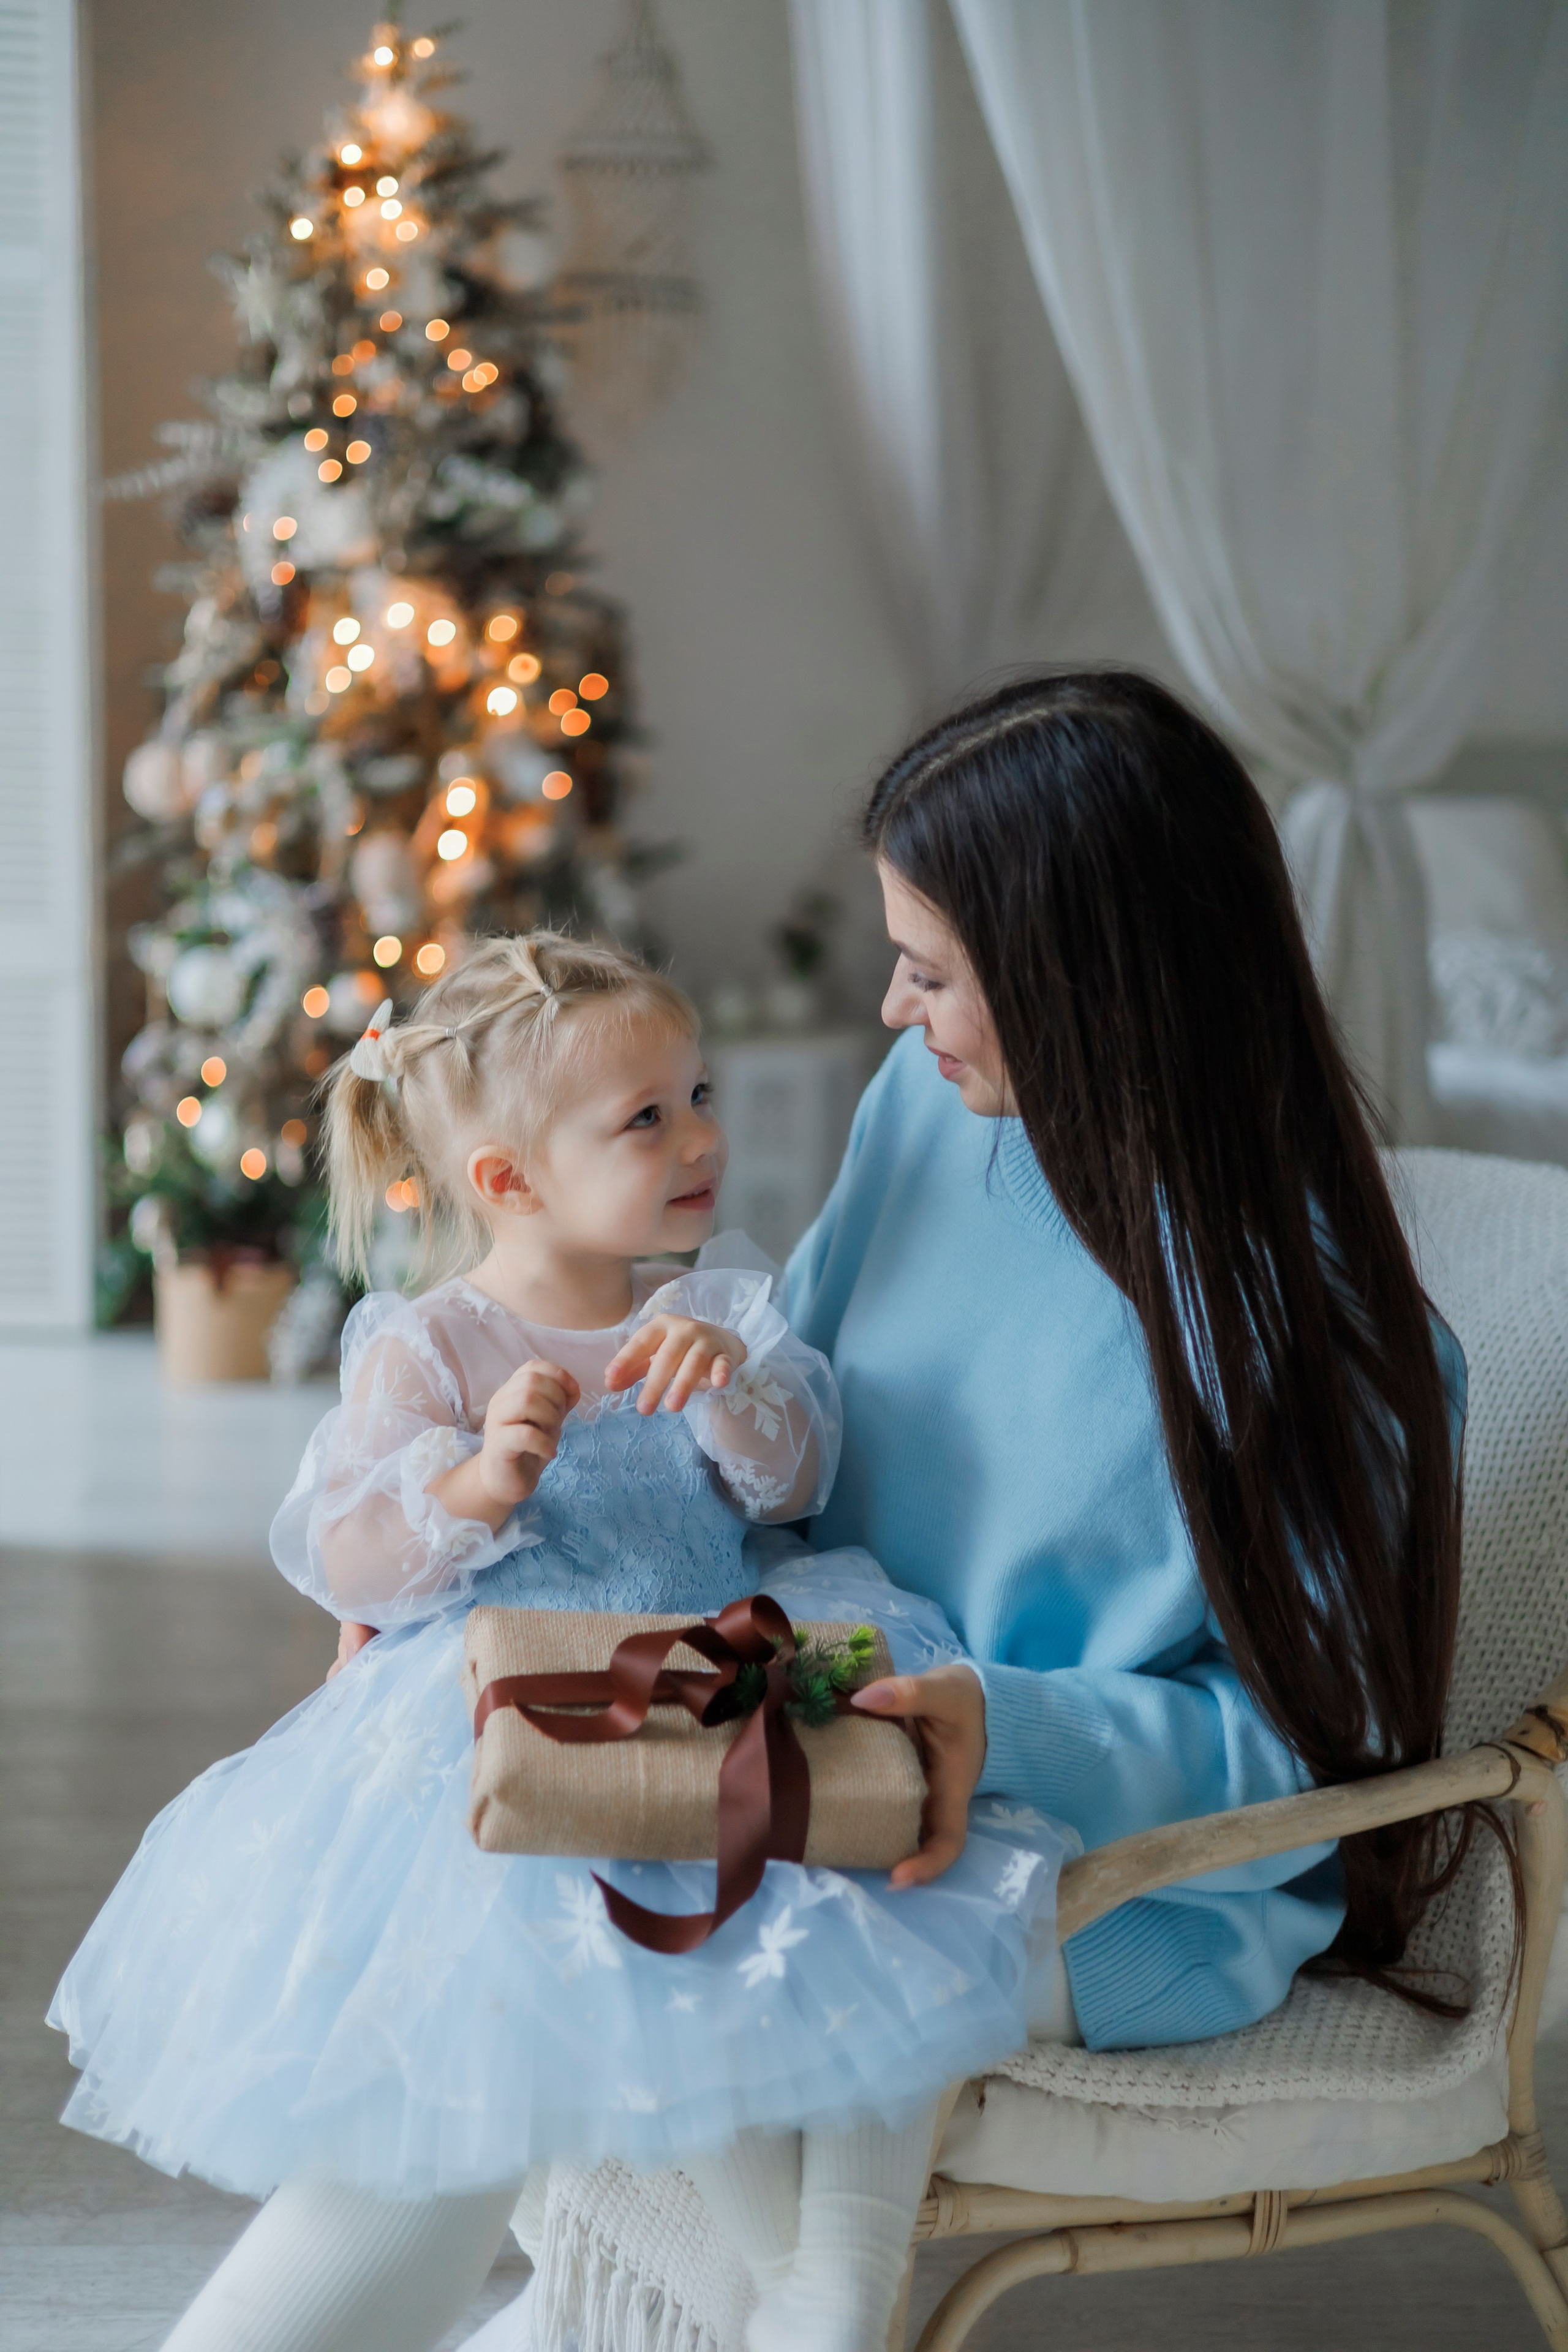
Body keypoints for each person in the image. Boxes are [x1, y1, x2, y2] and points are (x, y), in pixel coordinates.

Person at [470, 666, 1471, 2352]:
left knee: (768, 2074)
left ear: (1092, 982)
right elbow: (799, 1434)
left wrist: (991, 1725)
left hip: (1121, 1876)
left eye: (930, 970)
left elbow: (1325, 1760)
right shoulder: (931, 1115)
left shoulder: (1321, 1334)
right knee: (519, 1870)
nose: (887, 1008)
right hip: (816, 1742)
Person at [48, 931, 1071, 2352]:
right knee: (553, 1939)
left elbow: (793, 1485)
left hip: (710, 1683)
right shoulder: (438, 1344)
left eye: (698, 1094)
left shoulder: (709, 1307)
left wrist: (730, 1397)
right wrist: (474, 1487)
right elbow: (349, 1548)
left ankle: (784, 2283)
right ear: (507, 1181)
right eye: (646, 1118)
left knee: (766, 1918)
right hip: (523, 1711)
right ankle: (725, 2274)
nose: (701, 1137)